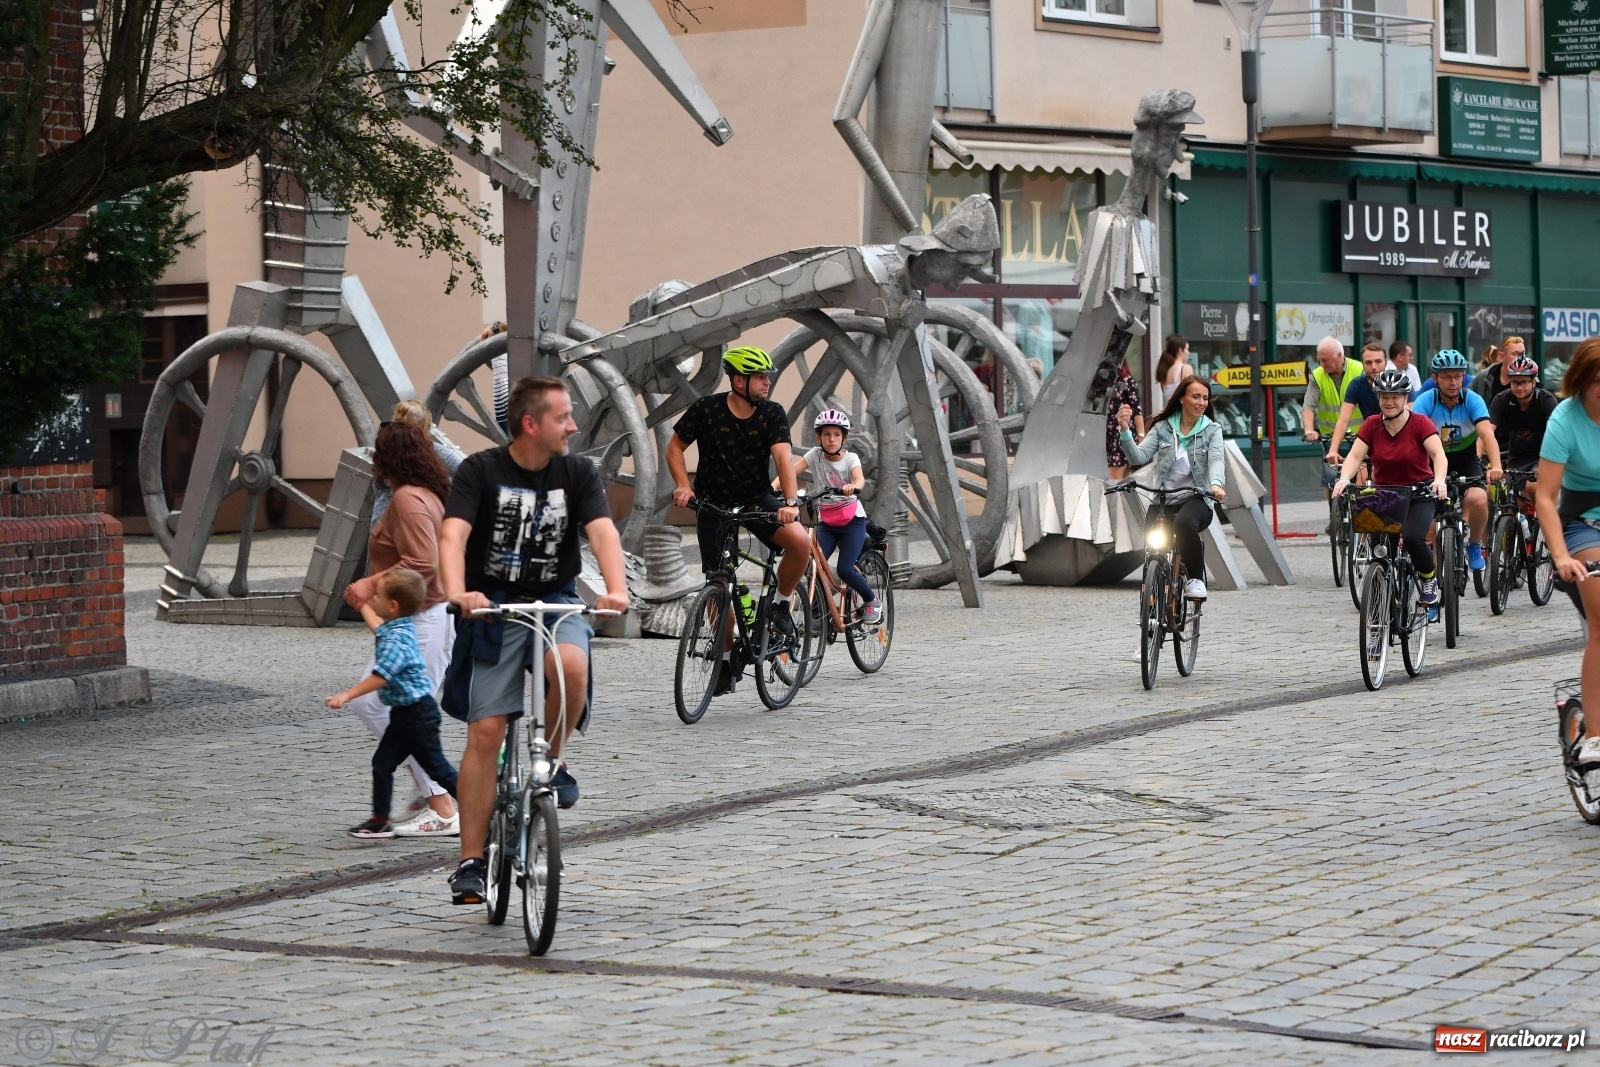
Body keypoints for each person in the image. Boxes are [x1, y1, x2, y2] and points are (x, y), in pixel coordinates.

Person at [439, 375, 630, 906]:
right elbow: (452, 534)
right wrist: (459, 591)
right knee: (487, 732)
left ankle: (554, 762)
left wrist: (616, 588)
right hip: (494, 606)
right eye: (563, 417)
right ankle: (471, 861)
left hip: (556, 598)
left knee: (572, 670)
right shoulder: (481, 472)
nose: (572, 425)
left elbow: (601, 531)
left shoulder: (577, 472)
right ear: (530, 424)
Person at [666, 346, 808, 696]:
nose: (767, 383)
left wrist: (789, 503)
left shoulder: (772, 413)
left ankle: (779, 606)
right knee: (718, 586)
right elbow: (674, 448)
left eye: (767, 377)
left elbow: (783, 460)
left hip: (757, 500)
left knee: (799, 542)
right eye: (760, 377)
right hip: (712, 503)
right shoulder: (706, 409)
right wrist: (684, 486)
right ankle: (727, 662)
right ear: (739, 380)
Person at [343, 420, 459, 837]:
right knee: (388, 708)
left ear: (385, 456)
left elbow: (422, 562)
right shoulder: (421, 493)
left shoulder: (409, 499)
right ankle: (434, 792)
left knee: (387, 708)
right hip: (422, 618)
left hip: (424, 617)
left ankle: (443, 804)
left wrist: (368, 585)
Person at [327, 568, 460, 841]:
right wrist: (363, 604)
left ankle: (483, 808)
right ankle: (379, 820)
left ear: (393, 605)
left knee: (438, 769)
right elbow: (378, 627)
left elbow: (380, 677)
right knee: (382, 763)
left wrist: (347, 695)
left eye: (377, 596)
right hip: (404, 715)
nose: (373, 598)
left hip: (418, 716)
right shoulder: (397, 627)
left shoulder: (398, 640)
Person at [1332, 369, 1449, 610]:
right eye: (1384, 396)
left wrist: (1439, 480)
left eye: (1395, 396)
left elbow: (1438, 454)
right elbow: (1355, 456)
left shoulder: (1419, 423)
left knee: (1415, 539)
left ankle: (1429, 581)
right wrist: (1344, 477)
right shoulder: (1372, 425)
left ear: (1405, 398)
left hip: (1419, 494)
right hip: (1385, 496)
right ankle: (1382, 604)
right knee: (1380, 551)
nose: (1389, 401)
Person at [1535, 338, 1600, 765]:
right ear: (1581, 382)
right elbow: (1545, 497)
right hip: (1583, 523)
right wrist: (1560, 556)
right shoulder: (1566, 418)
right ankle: (1595, 734)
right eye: (1598, 382)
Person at [1116, 374, 1227, 600]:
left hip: (1197, 498)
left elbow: (1216, 459)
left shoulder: (1212, 430)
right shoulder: (1163, 428)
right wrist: (1125, 430)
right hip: (1164, 498)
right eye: (1196, 396)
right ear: (1181, 399)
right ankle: (1155, 590)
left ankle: (1195, 580)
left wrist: (1216, 484)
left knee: (1183, 524)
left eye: (1205, 398)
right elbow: (1139, 457)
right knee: (1152, 541)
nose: (1201, 402)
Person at [1413, 349, 1504, 572]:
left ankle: (1474, 544)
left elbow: (1487, 435)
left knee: (1479, 499)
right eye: (1446, 377)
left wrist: (1497, 466)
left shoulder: (1472, 400)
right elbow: (1412, 436)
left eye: (1457, 376)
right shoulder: (1426, 401)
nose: (1453, 382)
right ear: (1435, 378)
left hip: (1466, 460)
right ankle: (1431, 585)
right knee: (1429, 530)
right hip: (1431, 463)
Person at [792, 409, 883, 625]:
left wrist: (854, 487)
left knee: (843, 569)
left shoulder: (851, 458)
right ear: (818, 437)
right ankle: (817, 613)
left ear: (844, 438)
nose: (831, 439)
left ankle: (872, 600)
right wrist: (773, 488)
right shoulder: (814, 455)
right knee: (812, 563)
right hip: (828, 522)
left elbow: (859, 478)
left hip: (852, 522)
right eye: (826, 435)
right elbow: (791, 471)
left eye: (836, 435)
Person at [371, 400, 465, 527]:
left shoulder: (435, 451)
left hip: (416, 520)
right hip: (395, 521)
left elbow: (465, 473)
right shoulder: (387, 450)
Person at [1302, 337, 1362, 504]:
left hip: (1360, 437)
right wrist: (1309, 430)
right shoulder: (1317, 376)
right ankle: (1335, 518)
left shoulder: (1359, 369)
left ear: (1339, 355)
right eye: (1319, 359)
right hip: (1331, 438)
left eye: (1325, 360)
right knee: (1331, 481)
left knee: (1362, 480)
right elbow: (1308, 407)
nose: (1321, 364)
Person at [1324, 342, 1390, 472]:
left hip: (1397, 438)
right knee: (1360, 479)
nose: (1374, 367)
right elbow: (1343, 420)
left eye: (1378, 361)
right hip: (1372, 438)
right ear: (1363, 364)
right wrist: (1333, 450)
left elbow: (1409, 414)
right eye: (1368, 363)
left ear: (1386, 362)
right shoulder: (1357, 385)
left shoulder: (1398, 382)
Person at [1490, 354, 1558, 475]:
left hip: (1542, 456)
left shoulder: (1546, 400)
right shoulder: (1502, 399)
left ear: (1534, 382)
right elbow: (1487, 433)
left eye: (1524, 382)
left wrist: (1545, 464)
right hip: (1516, 458)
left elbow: (1557, 435)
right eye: (1515, 382)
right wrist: (1479, 460)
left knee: (1535, 486)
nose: (1519, 387)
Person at [1106, 362, 1146, 480]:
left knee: (1115, 476)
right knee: (1123, 478)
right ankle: (1122, 498)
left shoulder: (1126, 380)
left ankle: (1117, 498)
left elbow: (1137, 410)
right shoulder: (1106, 383)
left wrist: (1141, 435)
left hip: (1120, 434)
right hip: (1109, 436)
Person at [1472, 336, 1525, 406]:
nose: (1521, 358)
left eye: (1523, 353)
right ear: (1502, 356)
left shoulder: (1530, 379)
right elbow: (1466, 398)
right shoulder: (1485, 376)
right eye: (1515, 354)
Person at [1154, 334, 1190, 408]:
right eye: (1187, 349)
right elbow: (1192, 393)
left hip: (1169, 414)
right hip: (1182, 414)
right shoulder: (1185, 368)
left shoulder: (1165, 370)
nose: (1188, 352)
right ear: (1180, 351)